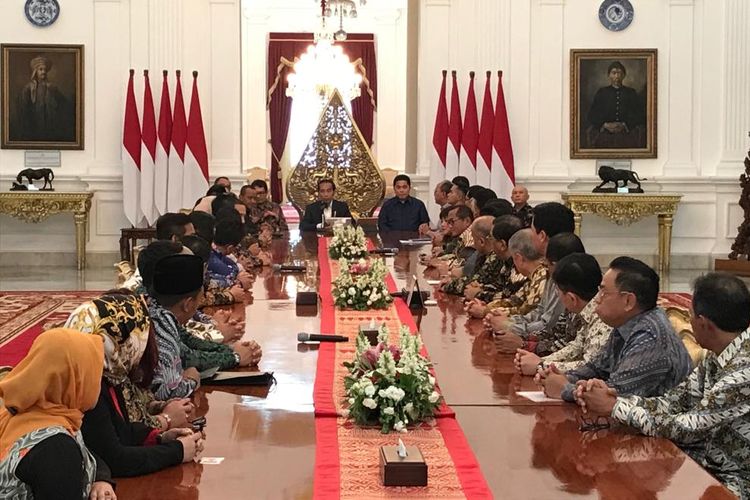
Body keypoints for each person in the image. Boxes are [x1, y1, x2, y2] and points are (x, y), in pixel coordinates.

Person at [577, 272, 750, 498]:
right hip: (706, 463)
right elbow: (676, 401)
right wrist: (616, 400)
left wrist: (615, 408)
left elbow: (688, 428)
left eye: (690, 316)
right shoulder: (718, 354)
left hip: (736, 480)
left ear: (704, 324)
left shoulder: (742, 372)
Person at [69, 293, 203, 477]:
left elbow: (122, 431)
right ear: (118, 340)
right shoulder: (86, 385)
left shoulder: (106, 373)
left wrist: (160, 438)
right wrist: (177, 451)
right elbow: (115, 459)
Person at [536, 256, 692, 402]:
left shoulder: (650, 336)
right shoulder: (626, 323)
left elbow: (613, 396)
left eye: (604, 292)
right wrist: (558, 377)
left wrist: (564, 389)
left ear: (628, 301)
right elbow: (596, 368)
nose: (597, 299)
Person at [0, 329, 116, 500]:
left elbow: (87, 452)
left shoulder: (39, 411)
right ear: (75, 378)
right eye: (94, 373)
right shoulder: (56, 449)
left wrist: (100, 478)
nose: (98, 382)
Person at [514, 253, 612, 375]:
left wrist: (541, 366)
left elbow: (590, 367)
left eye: (558, 291)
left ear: (572, 299)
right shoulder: (585, 313)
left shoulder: (603, 317)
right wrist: (540, 361)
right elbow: (575, 348)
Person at [487, 233, 583, 352]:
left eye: (547, 264)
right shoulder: (552, 276)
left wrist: (513, 330)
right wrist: (510, 323)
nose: (545, 268)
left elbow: (549, 326)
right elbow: (541, 313)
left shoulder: (571, 289)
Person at [585, 61, 645, 149]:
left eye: (619, 73)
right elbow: (592, 115)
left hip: (627, 133)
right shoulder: (602, 92)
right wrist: (605, 125)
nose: (617, 76)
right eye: (614, 73)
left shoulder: (631, 93)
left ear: (624, 75)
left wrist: (625, 125)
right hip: (604, 133)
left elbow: (639, 114)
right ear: (609, 75)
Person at [14, 55, 74, 142]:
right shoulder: (28, 88)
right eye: (41, 69)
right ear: (35, 71)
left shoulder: (52, 87)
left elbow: (63, 104)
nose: (43, 72)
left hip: (49, 123)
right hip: (34, 123)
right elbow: (23, 107)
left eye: (45, 70)